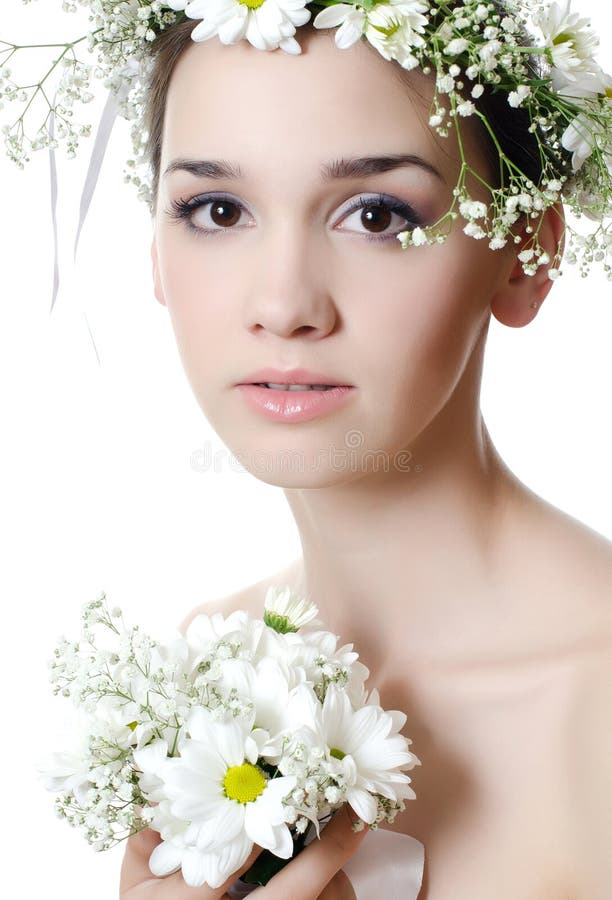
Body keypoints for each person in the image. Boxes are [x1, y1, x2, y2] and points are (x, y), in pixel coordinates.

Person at [113, 5, 612, 899]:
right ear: (154, 244)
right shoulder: (206, 678)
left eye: (376, 214)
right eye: (217, 209)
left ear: (524, 254)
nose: (285, 302)